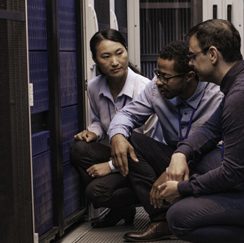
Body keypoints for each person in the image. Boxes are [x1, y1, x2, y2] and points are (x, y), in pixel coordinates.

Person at [108, 40, 224, 241]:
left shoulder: (216, 95)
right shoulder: (156, 88)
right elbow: (127, 114)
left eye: (166, 77)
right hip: (172, 155)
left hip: (207, 164)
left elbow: (216, 148)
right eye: (157, 73)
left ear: (189, 76)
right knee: (131, 140)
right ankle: (161, 220)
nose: (158, 81)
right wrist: (117, 135)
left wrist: (171, 169)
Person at [158, 19, 244, 243]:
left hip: (238, 173)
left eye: (192, 56)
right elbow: (209, 130)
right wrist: (180, 154)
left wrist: (183, 189)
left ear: (212, 54)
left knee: (178, 218)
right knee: (198, 158)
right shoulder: (236, 84)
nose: (190, 63)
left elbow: (233, 172)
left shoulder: (238, 96)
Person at [70, 29, 161, 228]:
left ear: (127, 51)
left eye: (119, 53)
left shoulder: (145, 88)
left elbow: (148, 143)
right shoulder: (94, 87)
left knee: (97, 191)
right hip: (120, 158)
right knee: (79, 148)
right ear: (95, 60)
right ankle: (122, 209)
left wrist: (110, 166)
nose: (114, 62)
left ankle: (154, 211)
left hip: (145, 164)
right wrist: (93, 132)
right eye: (106, 56)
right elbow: (99, 120)